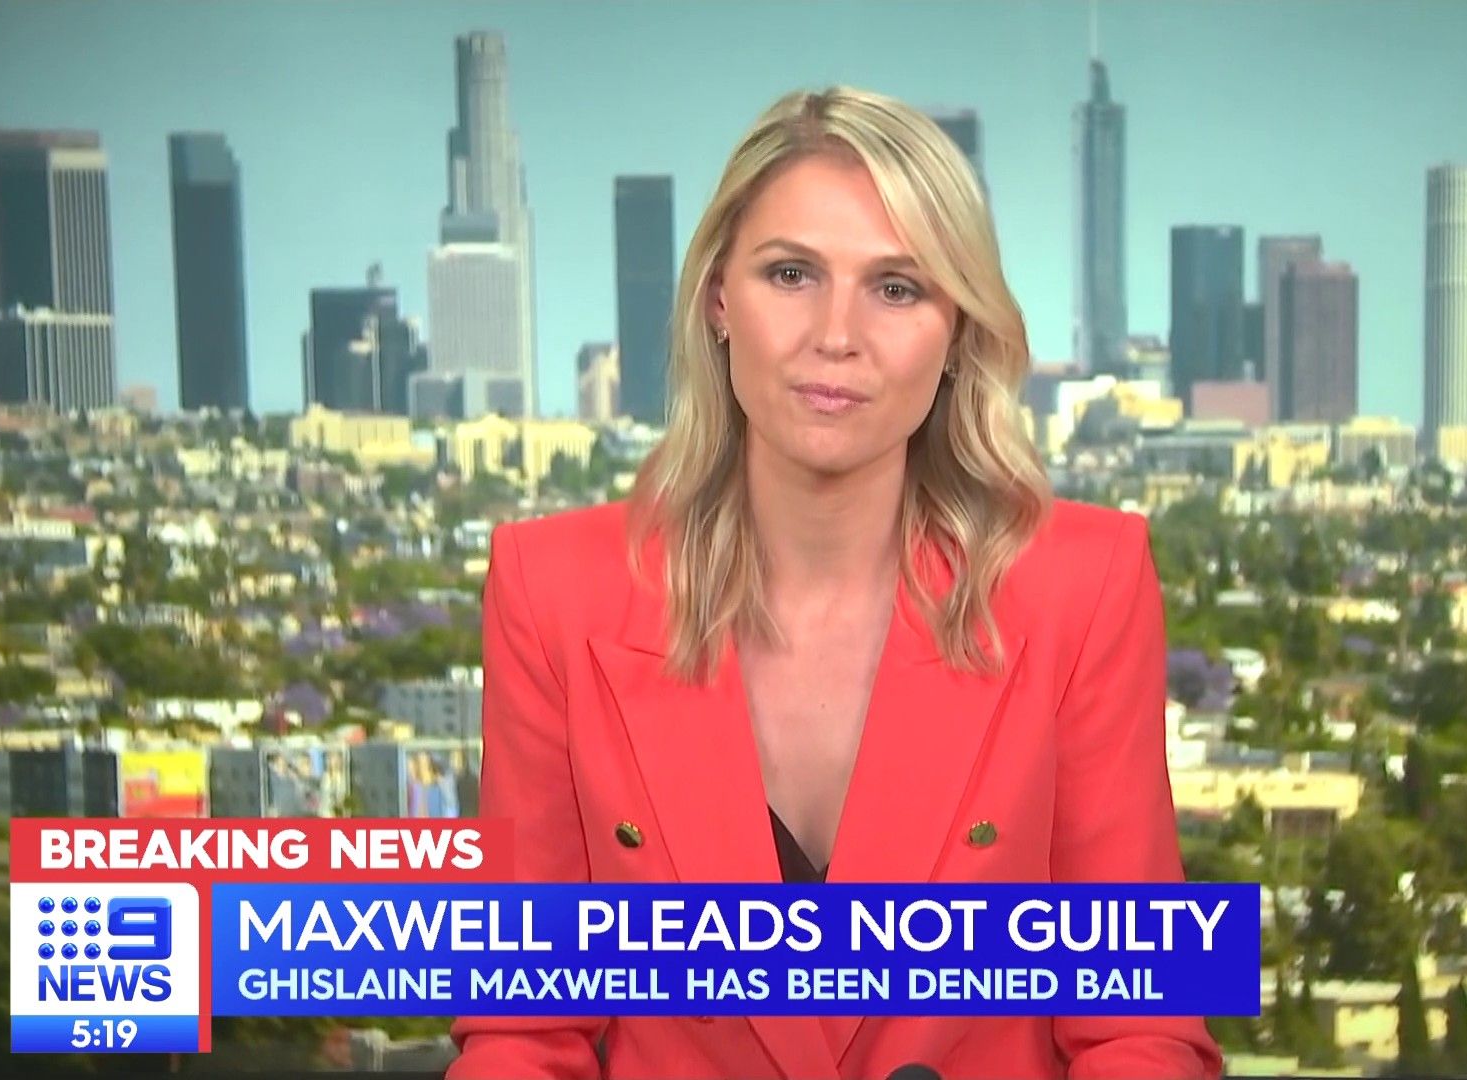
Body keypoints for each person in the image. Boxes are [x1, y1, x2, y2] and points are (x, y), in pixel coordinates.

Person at [451, 85, 1221, 1080]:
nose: (836, 334)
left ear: (958, 331)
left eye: (896, 288)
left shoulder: (1085, 585)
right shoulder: (553, 591)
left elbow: (1138, 1028)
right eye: (791, 274)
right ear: (718, 300)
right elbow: (523, 1030)